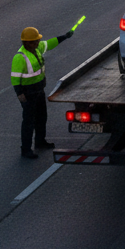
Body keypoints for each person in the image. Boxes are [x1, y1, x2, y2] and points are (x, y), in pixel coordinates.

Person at [11, 20, 81, 158]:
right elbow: (15, 78)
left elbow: (50, 43)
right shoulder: (20, 57)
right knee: (29, 122)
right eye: (35, 41)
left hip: (39, 90)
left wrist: (64, 36)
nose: (38, 42)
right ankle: (26, 149)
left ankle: (40, 141)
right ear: (27, 43)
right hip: (28, 93)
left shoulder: (37, 48)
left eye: (38, 40)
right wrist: (19, 93)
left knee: (41, 117)